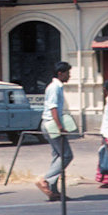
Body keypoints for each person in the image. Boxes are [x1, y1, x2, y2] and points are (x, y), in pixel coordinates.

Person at [36, 61, 73, 201]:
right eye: (67, 73)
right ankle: (45, 180)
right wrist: (60, 127)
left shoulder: (58, 87)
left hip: (51, 124)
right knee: (67, 155)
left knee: (57, 156)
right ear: (60, 73)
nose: (69, 76)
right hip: (51, 124)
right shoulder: (54, 87)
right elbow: (53, 108)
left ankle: (53, 190)